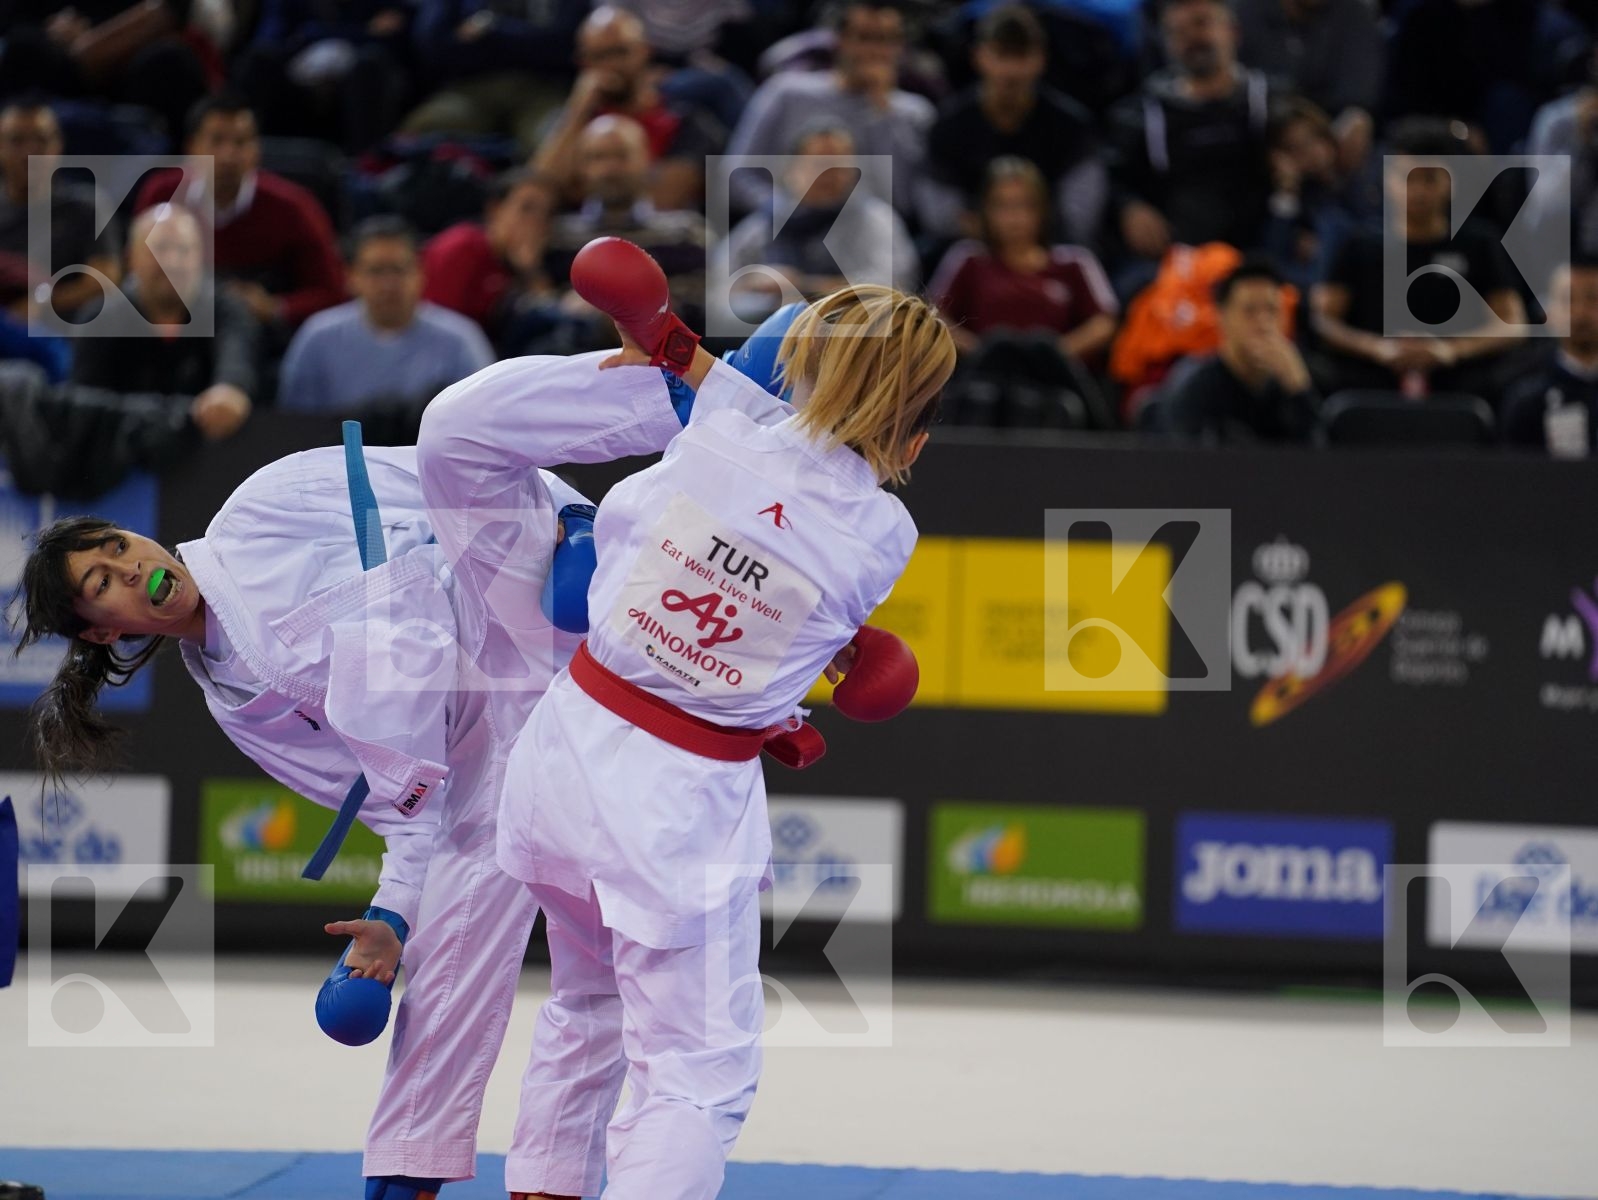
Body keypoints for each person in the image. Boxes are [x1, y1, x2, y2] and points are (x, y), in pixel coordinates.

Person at [14, 300, 801, 1200]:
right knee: (482, 951)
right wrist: (391, 921)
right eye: (103, 585)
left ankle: (695, 386)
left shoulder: (263, 510)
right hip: (492, 759)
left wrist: (570, 523)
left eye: (116, 547)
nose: (130, 568)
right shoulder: (242, 703)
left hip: (524, 595)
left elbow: (455, 483)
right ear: (101, 633)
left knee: (455, 428)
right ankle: (430, 1178)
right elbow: (404, 807)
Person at [496, 245, 953, 1198]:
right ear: (914, 433)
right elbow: (813, 526)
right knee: (698, 1076)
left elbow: (696, 370)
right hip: (670, 803)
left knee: (588, 1007)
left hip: (560, 757)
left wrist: (652, 325)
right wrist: (837, 649)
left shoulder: (723, 425)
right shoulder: (885, 534)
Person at [1310, 117, 1527, 401]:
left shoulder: (1479, 242)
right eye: (1407, 178)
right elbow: (1323, 319)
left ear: (1450, 182)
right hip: (1371, 379)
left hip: (1461, 380)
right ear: (1388, 179)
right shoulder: (1359, 243)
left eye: (1429, 179)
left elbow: (1513, 324)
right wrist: (1377, 348)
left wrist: (1450, 350)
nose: (1419, 192)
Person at [136, 92, 346, 348]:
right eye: (217, 141)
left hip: (260, 338)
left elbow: (334, 293)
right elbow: (135, 272)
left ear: (257, 150)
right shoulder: (162, 195)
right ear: (192, 148)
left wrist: (276, 307)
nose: (228, 156)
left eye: (241, 142)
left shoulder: (294, 207)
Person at [929, 156, 1117, 429]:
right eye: (1003, 206)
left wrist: (1056, 352)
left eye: (1024, 206)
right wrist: (984, 350)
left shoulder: (1074, 262)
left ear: (1043, 211)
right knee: (1002, 345)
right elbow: (936, 318)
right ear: (986, 211)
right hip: (985, 372)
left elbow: (1104, 324)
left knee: (1040, 345)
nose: (1014, 217)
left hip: (1054, 375)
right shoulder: (969, 259)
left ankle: (1104, 435)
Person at [1105, 0, 1274, 281]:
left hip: (1263, 253)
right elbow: (1113, 179)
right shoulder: (1141, 114)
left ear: (1233, 30)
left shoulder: (1270, 101)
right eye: (1177, 32)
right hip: (1177, 258)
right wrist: (1129, 208)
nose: (1192, 39)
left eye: (1201, 23)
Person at [723, 1, 934, 219]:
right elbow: (735, 175)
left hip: (871, 240)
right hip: (785, 227)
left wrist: (882, 112)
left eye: (886, 40)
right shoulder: (787, 93)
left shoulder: (915, 113)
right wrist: (785, 213)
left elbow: (903, 201)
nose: (874, 52)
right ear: (840, 40)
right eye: (864, 38)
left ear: (900, 47)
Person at [70, 204, 256, 443]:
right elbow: (85, 406)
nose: (172, 262)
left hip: (210, 451)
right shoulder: (101, 318)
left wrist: (231, 389)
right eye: (159, 249)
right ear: (131, 259)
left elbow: (238, 357)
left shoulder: (227, 310)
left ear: (200, 257)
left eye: (183, 249)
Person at [924, 4, 1102, 245]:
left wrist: (1025, 233)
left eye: (1021, 56)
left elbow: (1079, 215)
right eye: (1002, 54)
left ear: (1040, 59)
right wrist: (998, 234)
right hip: (973, 250)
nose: (1012, 70)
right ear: (979, 56)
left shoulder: (1071, 126)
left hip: (1049, 250)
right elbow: (940, 215)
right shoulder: (948, 126)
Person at [278, 216, 494, 415]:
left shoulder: (460, 338)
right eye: (376, 271)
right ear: (351, 276)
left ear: (421, 273)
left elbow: (481, 417)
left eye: (399, 270)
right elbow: (297, 423)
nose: (388, 285)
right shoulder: (318, 336)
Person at [716, 121, 918, 324]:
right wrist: (754, 284)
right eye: (818, 162)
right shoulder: (765, 223)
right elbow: (717, 287)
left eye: (840, 163)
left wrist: (801, 285)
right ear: (790, 171)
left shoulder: (875, 219)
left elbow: (891, 286)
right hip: (771, 331)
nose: (829, 173)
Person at [532, 6, 728, 212]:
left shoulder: (687, 123)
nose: (611, 65)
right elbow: (537, 195)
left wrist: (579, 186)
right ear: (583, 62)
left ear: (645, 50)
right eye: (599, 56)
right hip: (579, 242)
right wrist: (579, 108)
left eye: (620, 52)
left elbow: (662, 201)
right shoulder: (570, 124)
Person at [544, 115, 707, 332]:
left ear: (647, 160)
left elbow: (700, 308)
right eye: (597, 158)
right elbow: (541, 306)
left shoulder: (686, 231)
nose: (610, 169)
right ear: (581, 167)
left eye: (621, 156)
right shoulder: (556, 236)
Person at [1151, 256, 1318, 441]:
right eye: (1249, 311)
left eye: (1272, 310)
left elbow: (1319, 461)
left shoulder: (1295, 381)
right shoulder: (1193, 386)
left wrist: (1299, 390)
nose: (1263, 323)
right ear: (1221, 317)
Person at [420, 169, 568, 353]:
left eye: (547, 214)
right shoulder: (461, 247)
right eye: (527, 208)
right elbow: (438, 323)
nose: (536, 221)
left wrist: (530, 270)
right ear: (496, 210)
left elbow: (548, 314)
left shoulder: (529, 260)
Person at [0, 99, 121, 320]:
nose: (31, 151)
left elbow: (105, 282)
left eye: (42, 140)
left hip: (67, 332)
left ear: (58, 146)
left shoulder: (87, 206)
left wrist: (41, 303)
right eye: (17, 141)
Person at [1503, 259, 1598, 455]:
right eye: (1568, 300)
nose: (1581, 312)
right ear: (1548, 313)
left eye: (1593, 298)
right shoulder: (1525, 395)